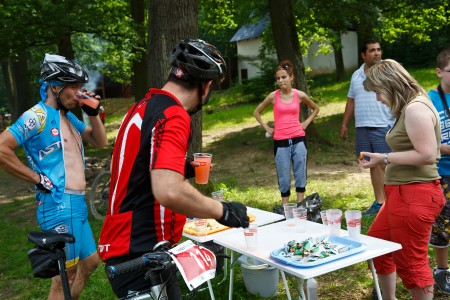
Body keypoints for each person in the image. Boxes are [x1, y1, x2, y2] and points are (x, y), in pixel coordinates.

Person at [98, 39, 249, 299]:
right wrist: (223, 211)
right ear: (207, 85)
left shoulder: (142, 107)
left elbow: (136, 166)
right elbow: (168, 190)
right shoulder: (173, 114)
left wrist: (182, 167)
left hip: (125, 243)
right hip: (141, 251)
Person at [0, 54, 107, 299]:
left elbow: (100, 141)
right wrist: (36, 179)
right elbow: (1, 148)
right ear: (55, 86)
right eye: (74, 87)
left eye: (81, 87)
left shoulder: (68, 117)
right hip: (58, 203)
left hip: (77, 204)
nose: (79, 93)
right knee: (63, 279)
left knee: (90, 263)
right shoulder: (36, 116)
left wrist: (94, 112)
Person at [360, 59, 446, 300]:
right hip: (400, 195)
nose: (377, 98)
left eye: (378, 91)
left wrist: (385, 157)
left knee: (412, 265)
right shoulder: (408, 107)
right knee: (378, 246)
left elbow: (428, 154)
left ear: (390, 84)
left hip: (414, 196)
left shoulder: (415, 109)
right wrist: (382, 160)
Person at [339, 39, 395, 215]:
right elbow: (351, 100)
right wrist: (344, 123)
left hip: (382, 126)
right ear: (363, 55)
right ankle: (379, 203)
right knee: (370, 164)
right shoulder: (356, 76)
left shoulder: (387, 72)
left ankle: (390, 203)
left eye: (378, 49)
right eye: (372, 50)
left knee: (384, 165)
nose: (377, 53)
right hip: (362, 127)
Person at [253, 60, 320, 205]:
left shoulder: (299, 95)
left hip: (299, 139)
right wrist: (268, 128)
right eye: (278, 78)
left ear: (291, 78)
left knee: (300, 172)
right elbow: (256, 112)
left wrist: (306, 123)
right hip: (281, 140)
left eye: (284, 77)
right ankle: (286, 207)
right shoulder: (273, 96)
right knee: (283, 175)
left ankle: (300, 205)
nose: (281, 81)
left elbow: (316, 108)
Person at [428, 46, 450, 295]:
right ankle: (442, 270)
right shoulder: (429, 100)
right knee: (442, 224)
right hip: (442, 173)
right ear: (438, 72)